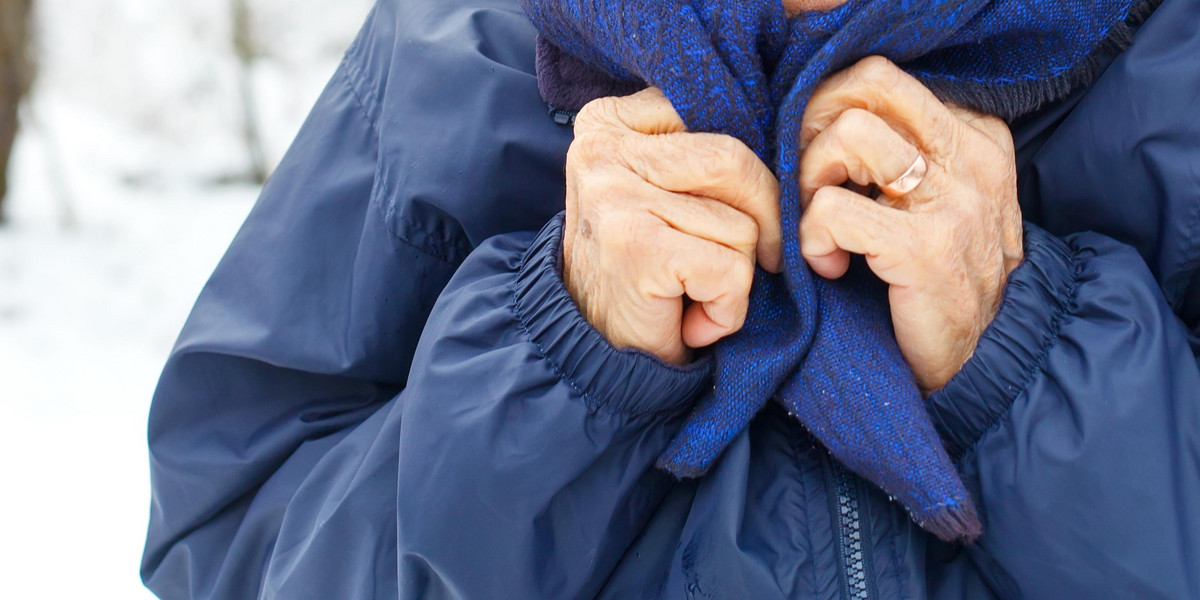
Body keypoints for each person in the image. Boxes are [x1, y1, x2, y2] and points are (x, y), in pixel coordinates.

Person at [140, 0, 1200, 597]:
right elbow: (232, 557)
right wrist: (559, 362)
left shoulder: (1176, 74)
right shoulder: (452, 58)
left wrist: (1025, 357)